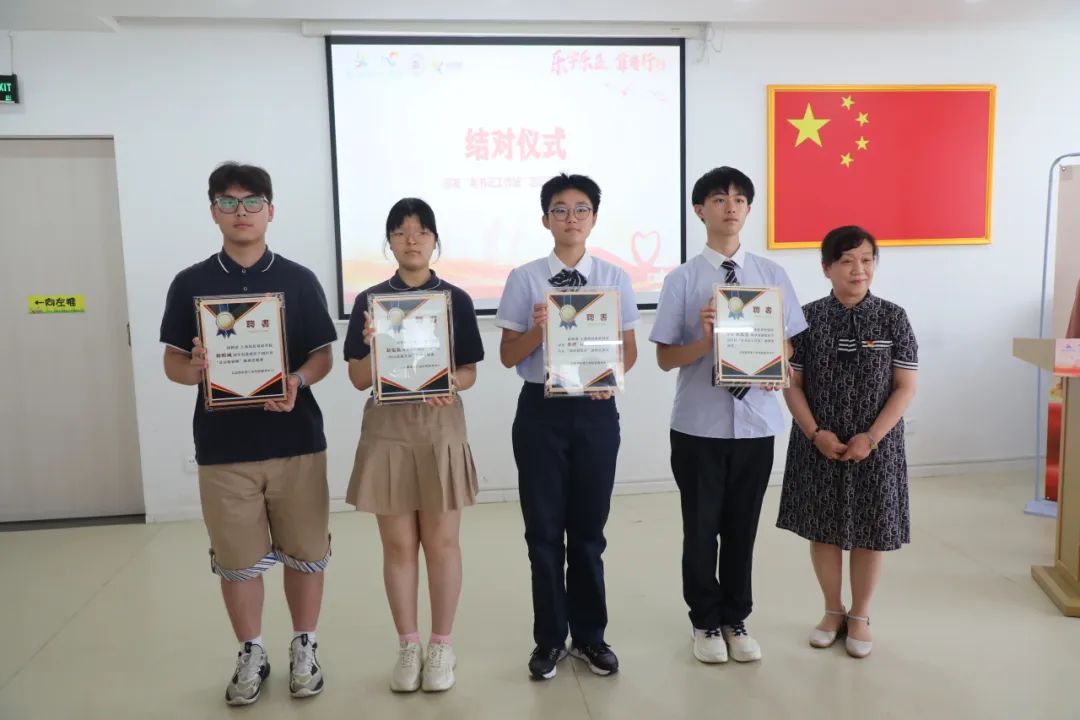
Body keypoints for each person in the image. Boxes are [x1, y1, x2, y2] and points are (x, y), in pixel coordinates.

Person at [160, 162, 336, 705]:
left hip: (296, 442)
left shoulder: (299, 279)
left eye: (252, 201)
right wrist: (196, 368)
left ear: (270, 211)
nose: (242, 212)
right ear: (213, 211)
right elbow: (172, 363)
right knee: (237, 561)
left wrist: (298, 380)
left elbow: (322, 356)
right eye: (229, 201)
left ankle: (304, 646)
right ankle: (252, 650)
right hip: (223, 449)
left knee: (305, 551)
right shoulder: (191, 283)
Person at [650, 166, 807, 665]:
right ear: (700, 210)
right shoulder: (683, 279)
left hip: (757, 424)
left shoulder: (771, 276)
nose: (731, 206)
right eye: (719, 198)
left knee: (743, 528)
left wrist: (774, 363)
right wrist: (705, 340)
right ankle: (704, 621)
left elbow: (788, 345)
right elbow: (665, 358)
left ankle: (736, 618)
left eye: (739, 199)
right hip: (698, 426)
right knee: (700, 530)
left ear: (749, 209)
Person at [495, 173, 639, 679]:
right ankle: (550, 640)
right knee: (542, 534)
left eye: (581, 209)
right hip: (541, 412)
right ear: (545, 219)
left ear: (594, 218)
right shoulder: (525, 278)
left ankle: (591, 637)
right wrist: (540, 329)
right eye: (560, 209)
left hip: (596, 411)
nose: (571, 218)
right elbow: (507, 356)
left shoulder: (615, 278)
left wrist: (609, 377)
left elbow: (629, 350)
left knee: (588, 533)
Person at [343, 198, 484, 692]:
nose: (412, 239)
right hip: (388, 432)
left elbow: (468, 372)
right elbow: (358, 378)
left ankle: (441, 645)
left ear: (434, 240)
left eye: (421, 231)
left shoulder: (456, 300)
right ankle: (408, 644)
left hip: (440, 428)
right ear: (389, 241)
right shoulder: (371, 301)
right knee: (399, 545)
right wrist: (372, 344)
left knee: (442, 544)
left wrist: (451, 383)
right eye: (401, 231)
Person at [777, 225, 918, 659]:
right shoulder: (806, 319)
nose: (859, 269)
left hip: (876, 445)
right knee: (823, 530)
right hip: (819, 442)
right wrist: (815, 433)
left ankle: (860, 614)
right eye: (847, 261)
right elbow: (792, 384)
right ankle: (831, 610)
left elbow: (905, 387)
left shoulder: (893, 317)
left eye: (867, 260)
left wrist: (871, 438)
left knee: (871, 532)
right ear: (827, 268)